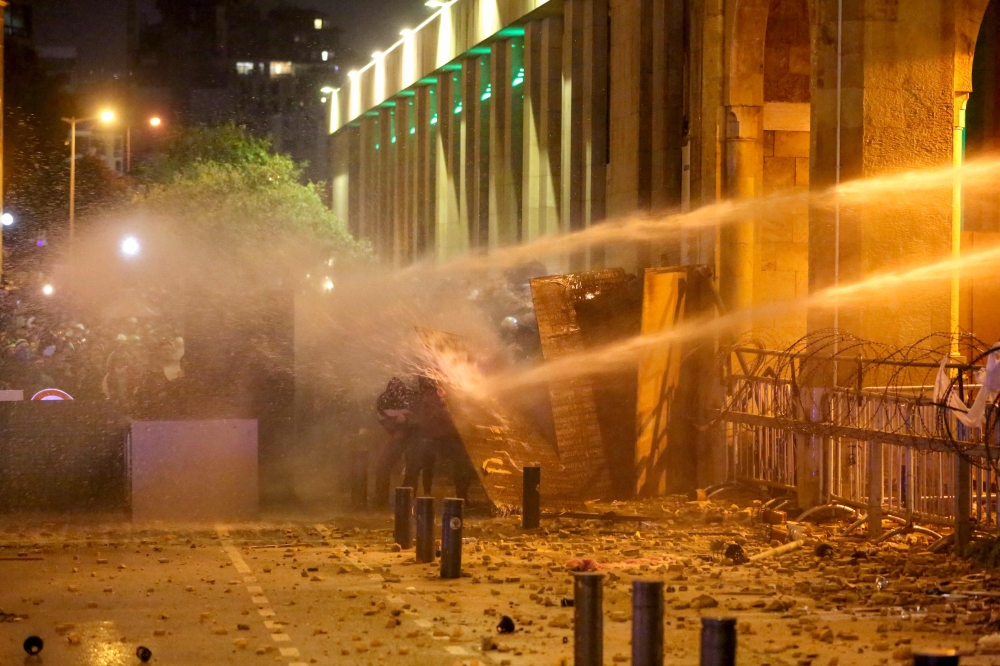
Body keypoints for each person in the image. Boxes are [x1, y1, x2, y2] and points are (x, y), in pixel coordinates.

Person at [410, 376, 475, 501]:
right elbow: (428, 417)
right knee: (424, 464)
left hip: (446, 435)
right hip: (433, 435)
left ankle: (461, 496)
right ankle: (424, 494)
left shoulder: (448, 395)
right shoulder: (430, 397)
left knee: (462, 464)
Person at [373, 377, 417, 508]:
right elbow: (386, 422)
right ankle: (381, 500)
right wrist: (395, 432)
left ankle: (408, 500)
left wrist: (406, 423)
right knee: (382, 467)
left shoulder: (409, 400)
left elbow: (416, 418)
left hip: (412, 436)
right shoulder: (383, 401)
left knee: (412, 468)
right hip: (394, 437)